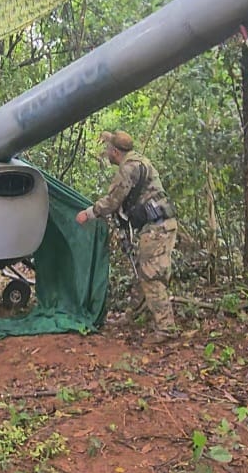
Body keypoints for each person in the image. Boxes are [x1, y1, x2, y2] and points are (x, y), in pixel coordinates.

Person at [75, 130, 179, 345]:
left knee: (151, 275)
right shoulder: (140, 161)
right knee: (143, 270)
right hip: (161, 224)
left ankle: (166, 329)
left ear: (115, 151)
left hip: (157, 227)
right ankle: (135, 313)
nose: (106, 153)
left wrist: (89, 213)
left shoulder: (128, 168)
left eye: (108, 149)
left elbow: (113, 201)